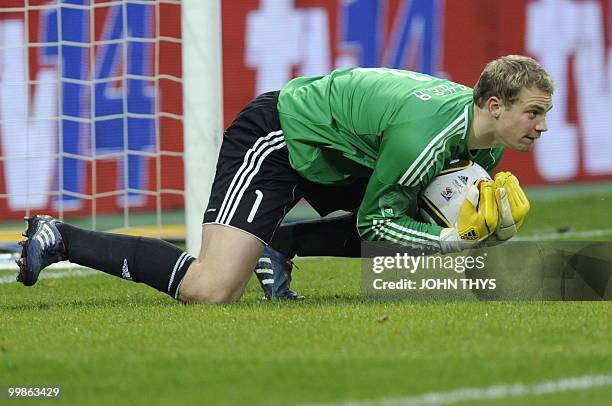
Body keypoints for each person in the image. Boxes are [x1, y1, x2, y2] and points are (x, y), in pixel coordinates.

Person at [16, 55, 553, 303]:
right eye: (533, 112)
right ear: (494, 103)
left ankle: (283, 243)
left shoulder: (479, 142)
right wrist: (454, 242)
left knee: (425, 221)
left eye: (545, 113)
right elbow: (375, 221)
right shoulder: (428, 141)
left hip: (341, 149)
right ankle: (62, 237)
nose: (542, 126)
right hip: (282, 135)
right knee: (212, 289)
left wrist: (477, 237)